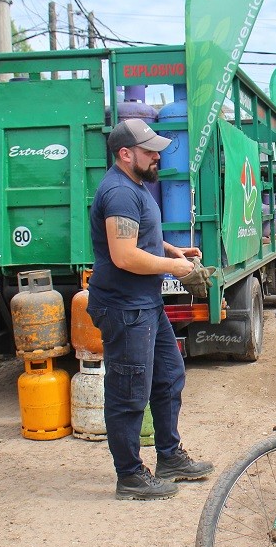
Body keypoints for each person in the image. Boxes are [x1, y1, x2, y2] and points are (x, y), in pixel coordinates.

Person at [87, 118, 214, 501]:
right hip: (125, 308)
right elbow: (124, 254)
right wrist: (174, 268)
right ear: (126, 154)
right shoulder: (120, 192)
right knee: (129, 392)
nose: (157, 156)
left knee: (168, 377)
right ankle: (129, 475)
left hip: (145, 304)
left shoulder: (135, 186)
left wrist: (173, 250)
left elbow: (142, 237)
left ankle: (169, 456)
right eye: (149, 151)